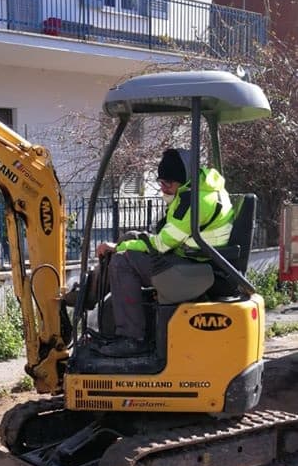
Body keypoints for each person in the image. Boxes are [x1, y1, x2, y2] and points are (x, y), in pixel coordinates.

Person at [95, 147, 234, 357]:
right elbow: (167, 237)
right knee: (131, 237)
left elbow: (161, 244)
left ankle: (132, 338)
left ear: (183, 178)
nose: (164, 189)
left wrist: (118, 248)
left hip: (197, 269)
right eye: (161, 183)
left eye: (169, 183)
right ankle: (82, 296)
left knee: (121, 261)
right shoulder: (196, 189)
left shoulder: (195, 203)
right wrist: (125, 243)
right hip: (193, 260)